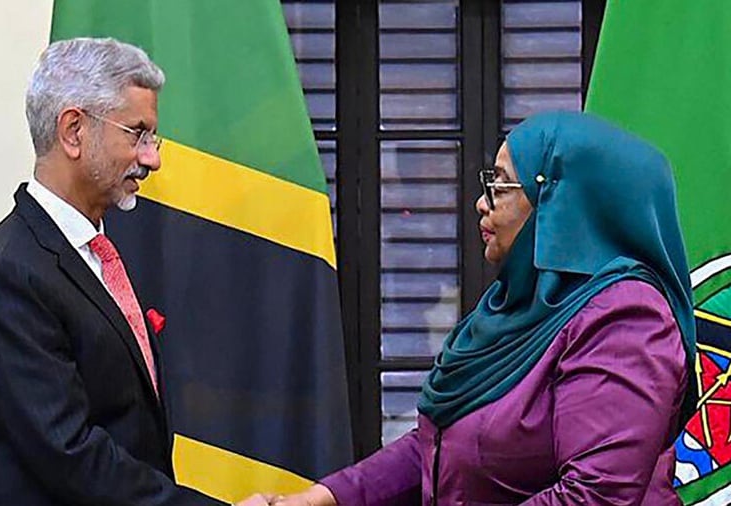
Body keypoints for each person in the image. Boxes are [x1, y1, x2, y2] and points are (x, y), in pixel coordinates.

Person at [262, 111, 696, 505]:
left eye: (501, 185)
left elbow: (596, 495)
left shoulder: (626, 317)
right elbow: (441, 443)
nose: (482, 203)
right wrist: (320, 499)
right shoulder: (517, 307)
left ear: (556, 200)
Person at [0, 37, 191, 505]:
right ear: (74, 131)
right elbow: (72, 456)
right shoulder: (10, 276)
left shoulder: (96, 255)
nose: (152, 159)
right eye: (137, 134)